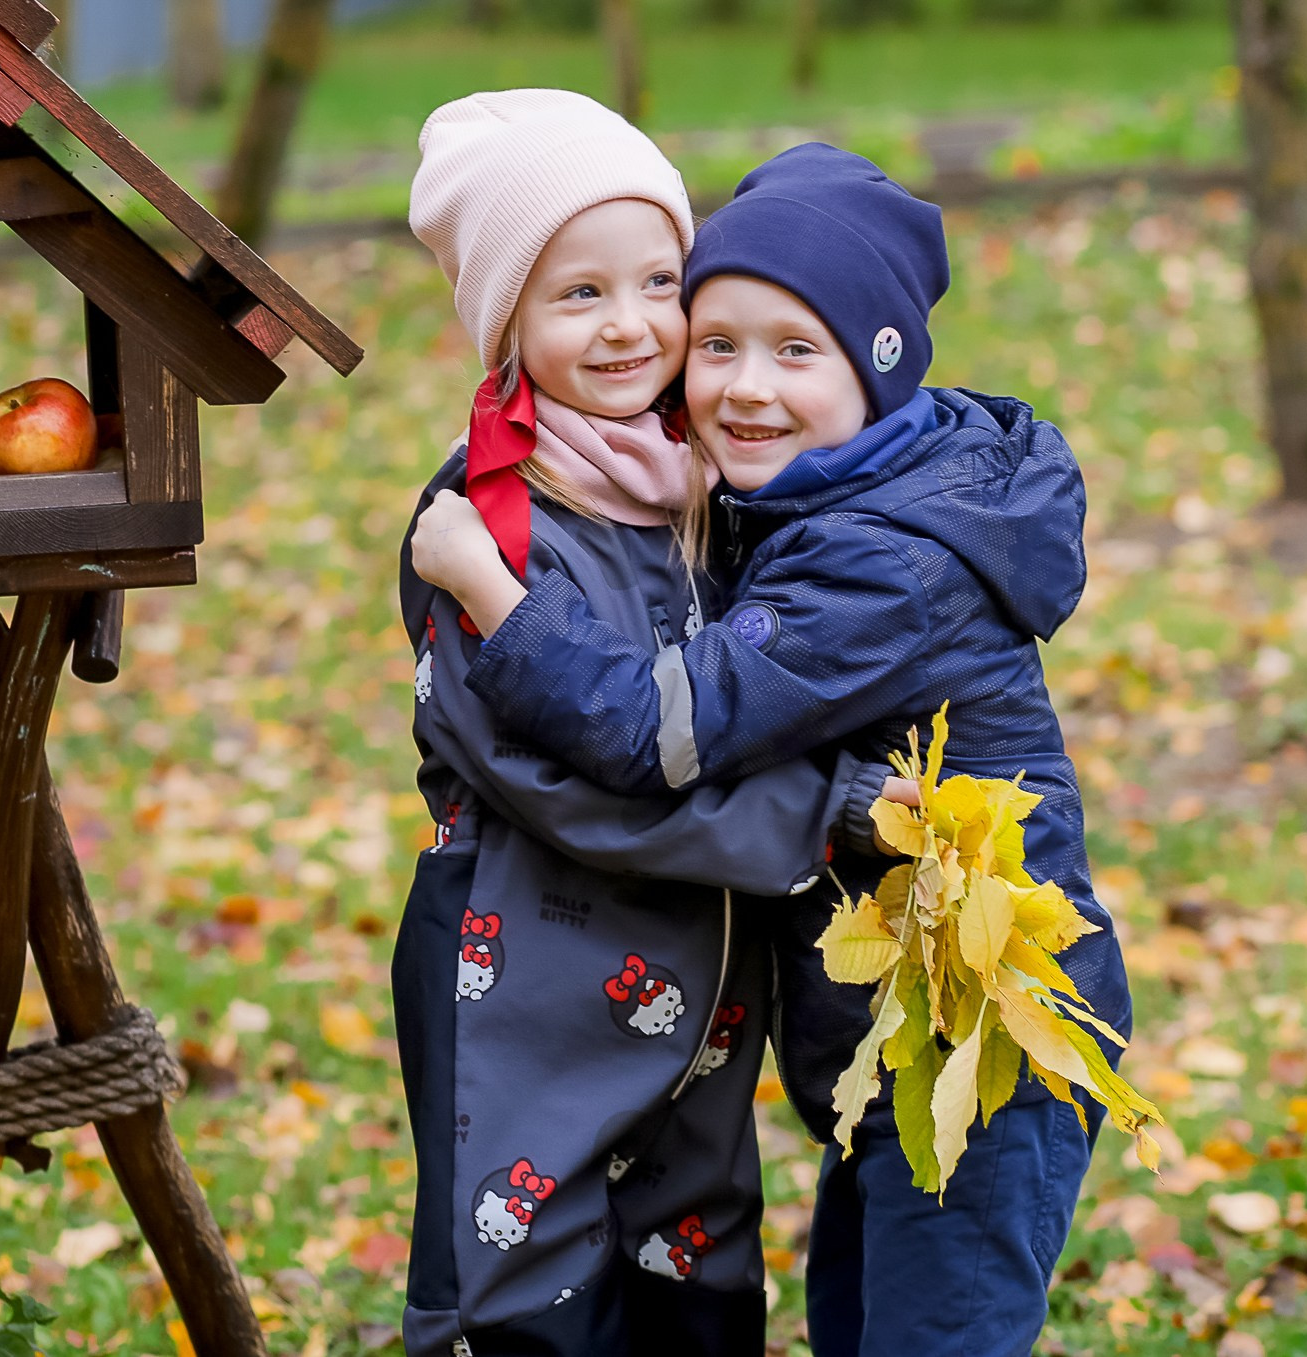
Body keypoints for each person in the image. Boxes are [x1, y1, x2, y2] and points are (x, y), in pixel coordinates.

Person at [409, 143, 1134, 1357]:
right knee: (861, 1316)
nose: (745, 388)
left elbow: (663, 726)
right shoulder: (810, 494)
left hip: (982, 1034)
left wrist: (495, 591)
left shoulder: (877, 560)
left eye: (799, 352)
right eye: (721, 343)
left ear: (881, 370)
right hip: (885, 1037)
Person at [393, 98, 908, 1357]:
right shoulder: (489, 533)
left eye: (659, 282)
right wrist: (824, 813)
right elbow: (578, 783)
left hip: (700, 986)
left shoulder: (706, 484)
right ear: (507, 321)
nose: (630, 324)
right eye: (578, 294)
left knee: (697, 1282)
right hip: (532, 976)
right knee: (527, 1294)